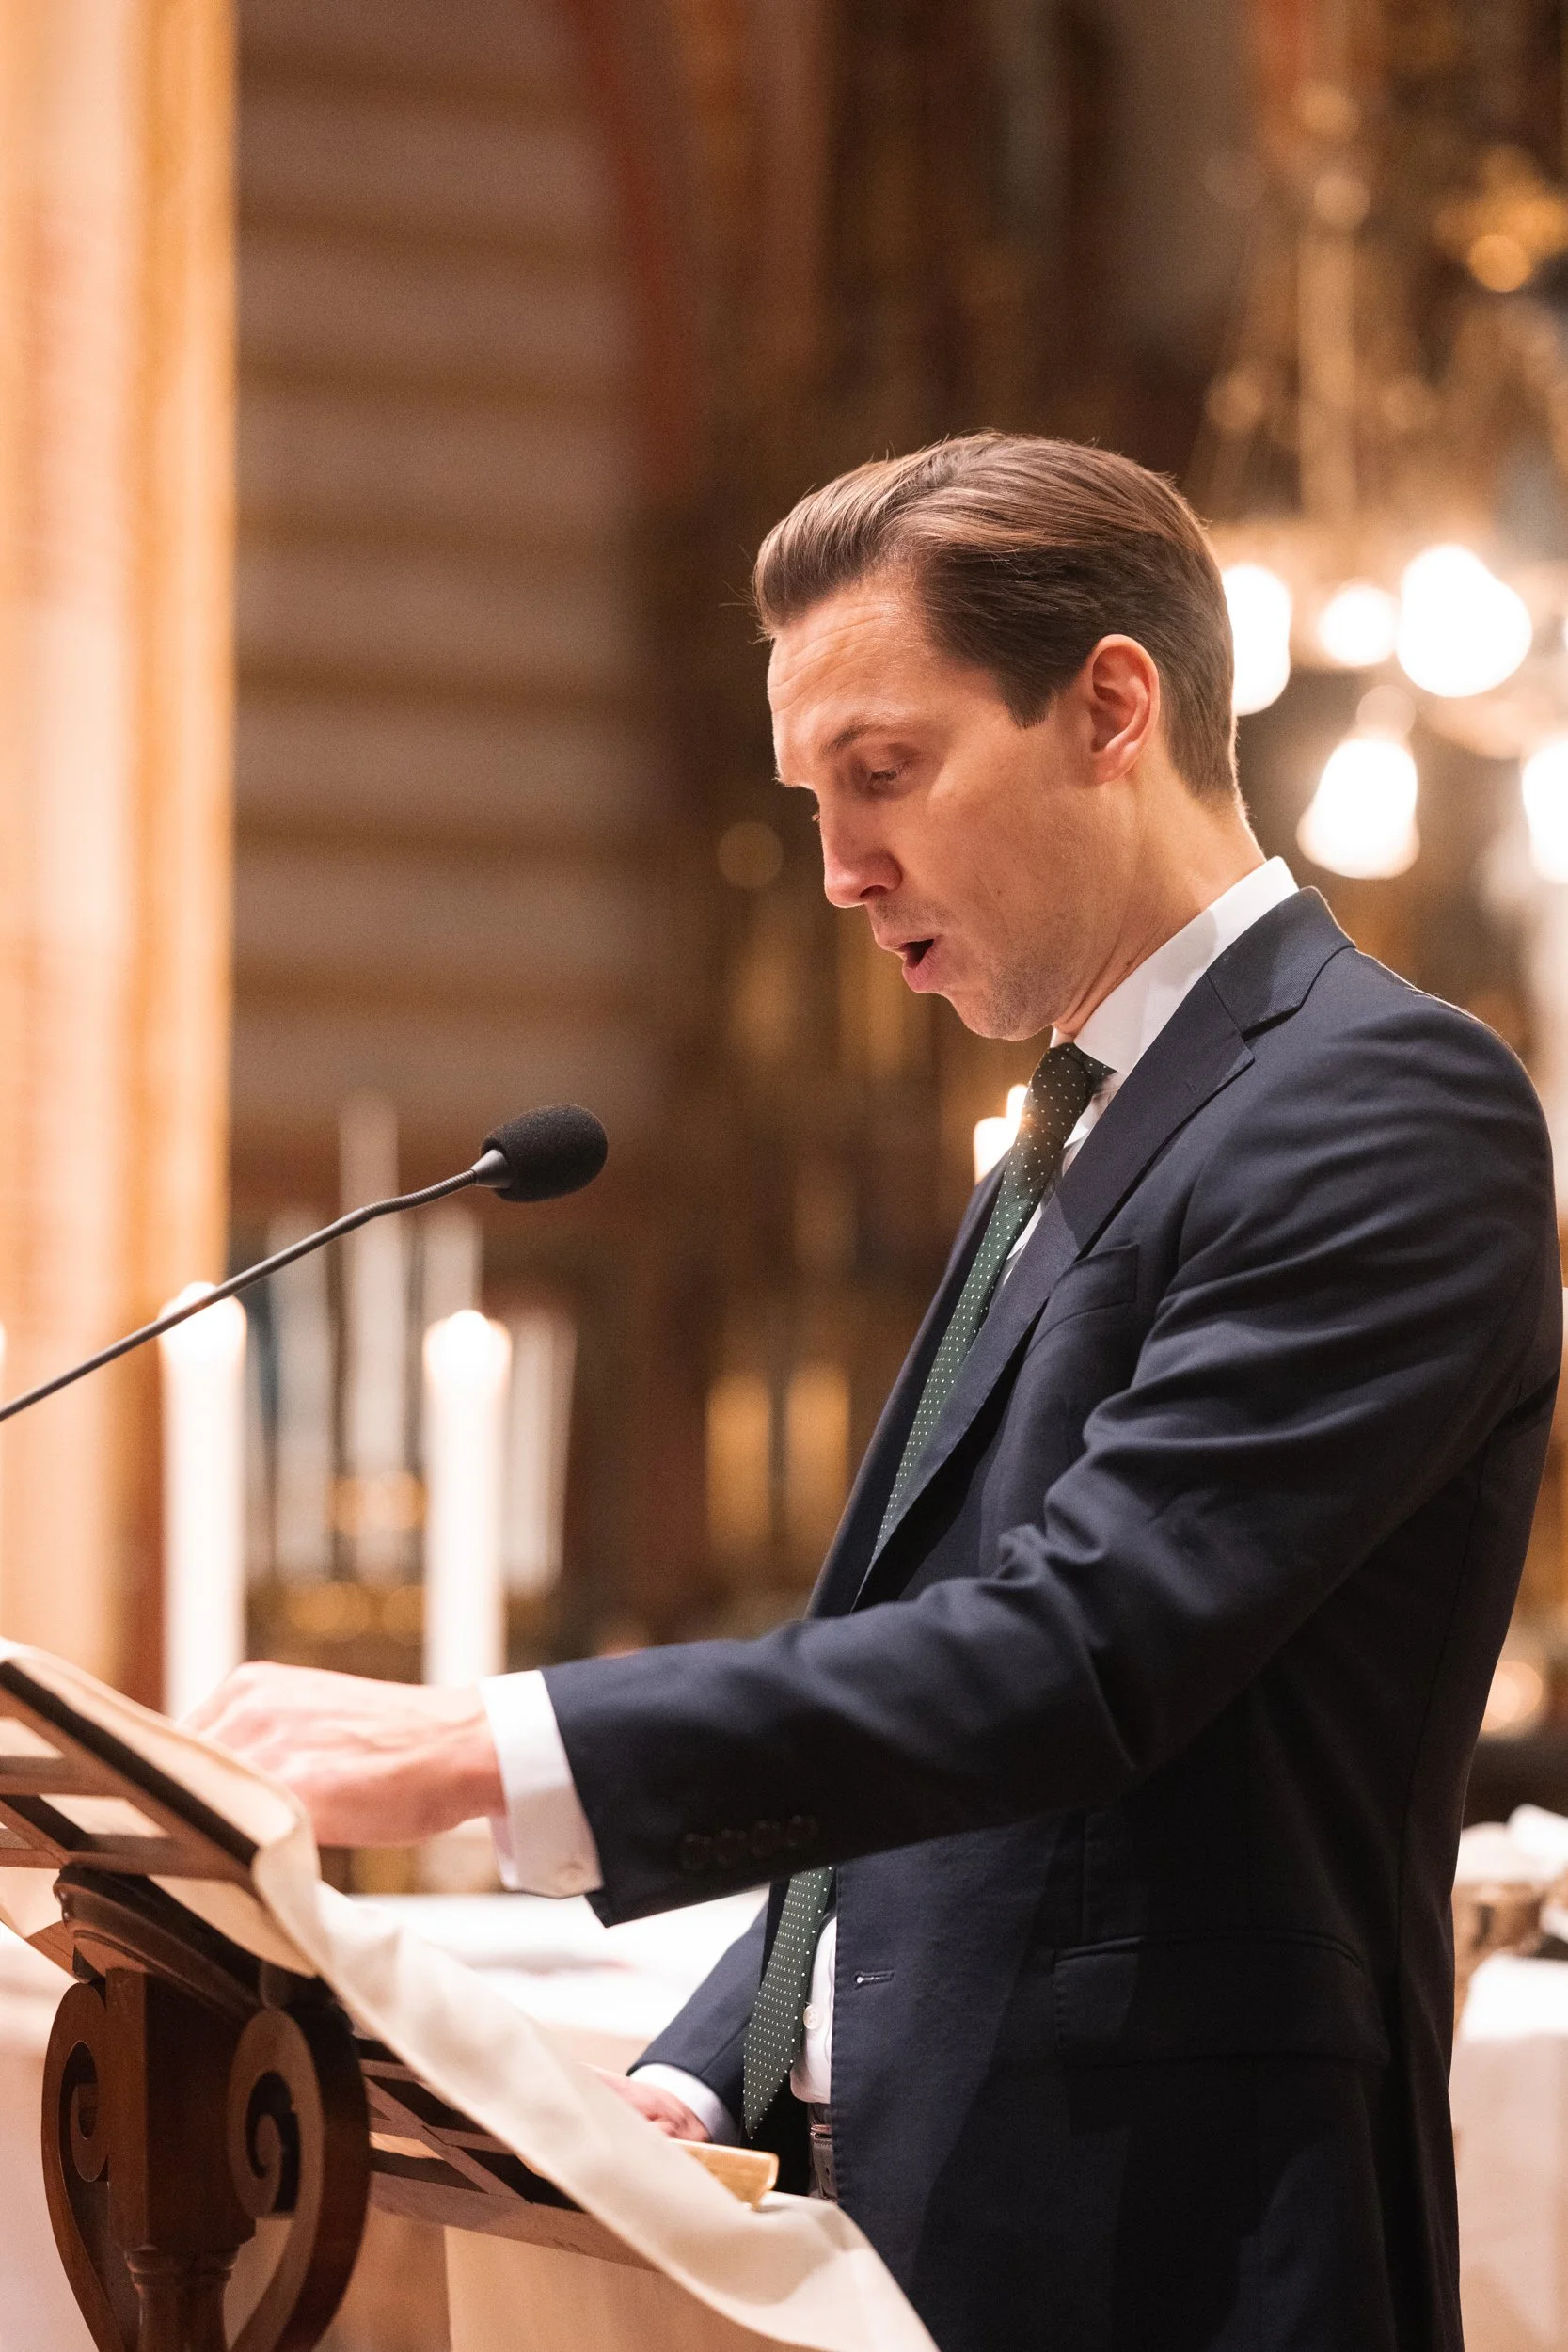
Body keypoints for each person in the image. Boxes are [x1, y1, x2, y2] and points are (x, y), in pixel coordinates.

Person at [192, 434, 1561, 2352]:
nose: (835, 868)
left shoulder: (1375, 1104)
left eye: (883, 771)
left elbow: (1075, 1651)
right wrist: (715, 2065)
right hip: (934, 2227)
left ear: (1106, 705)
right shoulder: (1068, 1132)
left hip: (1181, 2247)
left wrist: (482, 1747)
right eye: (810, 794)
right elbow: (917, 1700)